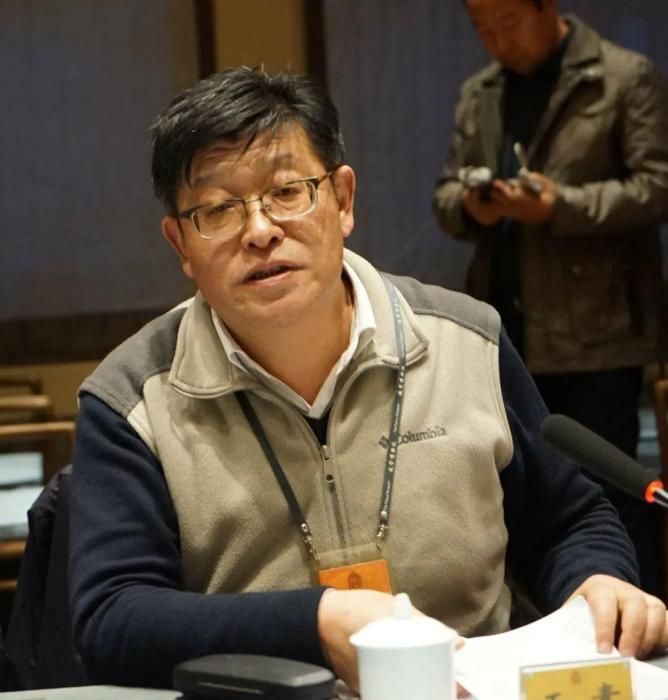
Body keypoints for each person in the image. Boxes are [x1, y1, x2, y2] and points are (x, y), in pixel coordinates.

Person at [69, 66, 668, 692]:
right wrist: (315, 624)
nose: (261, 231)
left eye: (287, 192)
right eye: (218, 210)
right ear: (181, 246)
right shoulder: (132, 399)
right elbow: (112, 618)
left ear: (343, 199)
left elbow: (570, 520)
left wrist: (597, 580)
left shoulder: (468, 341)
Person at [433, 0, 668, 594]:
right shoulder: (480, 91)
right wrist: (473, 207)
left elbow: (657, 187)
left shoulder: (621, 77)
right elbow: (447, 193)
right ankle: (546, 620)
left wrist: (559, 206)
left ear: (547, 8)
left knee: (611, 492)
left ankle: (633, 619)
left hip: (597, 326)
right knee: (519, 496)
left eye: (508, 22)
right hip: (506, 326)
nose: (496, 39)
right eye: (482, 27)